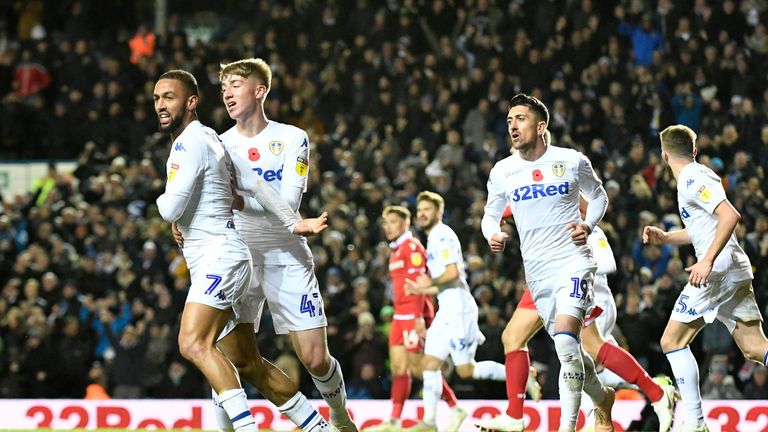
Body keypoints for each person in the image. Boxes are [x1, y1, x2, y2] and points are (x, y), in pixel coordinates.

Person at [154, 69, 330, 432]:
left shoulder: (190, 142)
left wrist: (163, 202)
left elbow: (169, 208)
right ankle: (322, 428)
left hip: (220, 256)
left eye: (168, 97)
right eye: (156, 98)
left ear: (191, 102)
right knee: (248, 364)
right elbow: (257, 185)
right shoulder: (215, 140)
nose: (160, 105)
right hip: (226, 255)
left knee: (192, 343)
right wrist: (293, 221)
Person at [216, 57, 356, 431]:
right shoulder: (218, 144)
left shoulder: (293, 138)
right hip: (238, 260)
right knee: (232, 357)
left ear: (259, 91)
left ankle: (339, 414)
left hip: (285, 255)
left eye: (235, 84)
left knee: (314, 359)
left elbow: (288, 205)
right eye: (224, 86)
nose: (227, 92)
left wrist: (240, 199)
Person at [476, 194, 678, 432]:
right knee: (513, 337)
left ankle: (651, 393)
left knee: (587, 351)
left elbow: (606, 260)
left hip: (579, 283)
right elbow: (528, 202)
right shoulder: (530, 182)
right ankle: (515, 415)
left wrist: (578, 251)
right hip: (543, 279)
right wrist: (500, 216)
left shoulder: (584, 220)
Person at [480, 93, 613, 432]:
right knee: (569, 351)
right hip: (537, 275)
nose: (512, 125)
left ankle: (566, 427)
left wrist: (588, 225)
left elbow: (599, 196)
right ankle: (602, 397)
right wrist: (491, 233)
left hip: (573, 262)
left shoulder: (571, 160)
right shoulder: (503, 171)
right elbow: (490, 214)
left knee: (568, 342)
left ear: (541, 127)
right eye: (509, 120)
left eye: (520, 119)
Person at [643, 124, 768, 432]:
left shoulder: (690, 178)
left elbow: (730, 215)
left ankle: (695, 423)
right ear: (694, 150)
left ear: (664, 154)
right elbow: (705, 227)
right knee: (754, 348)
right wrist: (667, 238)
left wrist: (707, 261)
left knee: (671, 341)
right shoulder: (701, 175)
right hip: (733, 269)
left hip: (718, 271)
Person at [403, 191, 507, 432]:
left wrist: (425, 286)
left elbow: (452, 273)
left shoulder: (442, 235)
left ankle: (521, 374)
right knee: (429, 364)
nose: (422, 214)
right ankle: (429, 421)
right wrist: (426, 287)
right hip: (446, 311)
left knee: (465, 371)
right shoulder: (432, 239)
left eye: (427, 209)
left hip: (459, 308)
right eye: (419, 210)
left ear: (440, 212)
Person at [364, 205, 461, 431]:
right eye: (385, 223)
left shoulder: (412, 248)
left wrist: (418, 317)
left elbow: (419, 283)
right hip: (399, 315)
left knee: (419, 368)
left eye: (393, 222)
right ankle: (395, 420)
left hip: (412, 314)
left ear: (405, 224)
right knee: (398, 367)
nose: (388, 227)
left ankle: (455, 408)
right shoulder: (396, 250)